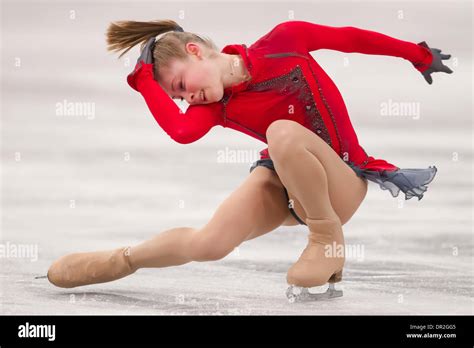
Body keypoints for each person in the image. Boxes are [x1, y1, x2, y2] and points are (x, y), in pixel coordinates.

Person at [46, 19, 452, 299]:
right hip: (284, 182)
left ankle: (327, 239)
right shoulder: (216, 107)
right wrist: (145, 84)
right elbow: (182, 132)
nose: (188, 99)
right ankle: (121, 260)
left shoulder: (284, 41)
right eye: (179, 97)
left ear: (196, 51)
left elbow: (348, 38)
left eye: (183, 85)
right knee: (209, 243)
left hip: (341, 180)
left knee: (281, 133)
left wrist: (414, 54)